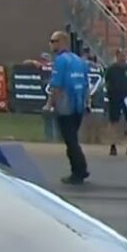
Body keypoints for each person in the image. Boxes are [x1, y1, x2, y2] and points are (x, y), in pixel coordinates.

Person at [44, 31, 90, 185]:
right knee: (73, 138)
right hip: (78, 104)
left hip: (66, 104)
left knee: (70, 140)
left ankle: (79, 170)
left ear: (61, 42)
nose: (50, 44)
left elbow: (56, 85)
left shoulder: (61, 61)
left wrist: (49, 104)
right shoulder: (79, 61)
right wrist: (86, 103)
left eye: (53, 41)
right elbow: (86, 84)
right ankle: (79, 168)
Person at [103, 48, 127, 156]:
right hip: (114, 97)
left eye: (124, 55)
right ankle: (113, 146)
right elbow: (106, 82)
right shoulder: (111, 69)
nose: (123, 57)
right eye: (121, 55)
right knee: (114, 122)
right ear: (117, 56)